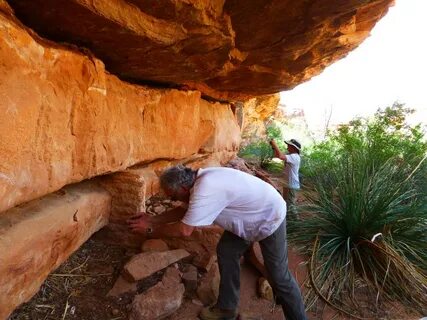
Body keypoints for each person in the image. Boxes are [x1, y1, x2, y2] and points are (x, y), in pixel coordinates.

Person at [128, 165, 307, 320]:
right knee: (227, 251)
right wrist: (152, 220)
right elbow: (185, 211)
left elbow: (185, 229)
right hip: (247, 216)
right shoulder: (199, 180)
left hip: (268, 217)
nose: (173, 200)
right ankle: (227, 308)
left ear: (182, 188)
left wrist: (150, 231)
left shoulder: (204, 189)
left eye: (173, 197)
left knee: (279, 276)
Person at [270, 139, 301, 218]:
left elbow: (280, 156)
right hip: (288, 184)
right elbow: (277, 156)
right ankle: (289, 221)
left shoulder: (295, 157)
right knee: (287, 203)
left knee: (290, 205)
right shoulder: (291, 156)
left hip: (291, 185)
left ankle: (296, 222)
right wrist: (273, 147)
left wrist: (274, 143)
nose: (287, 147)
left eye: (289, 145)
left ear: (294, 148)